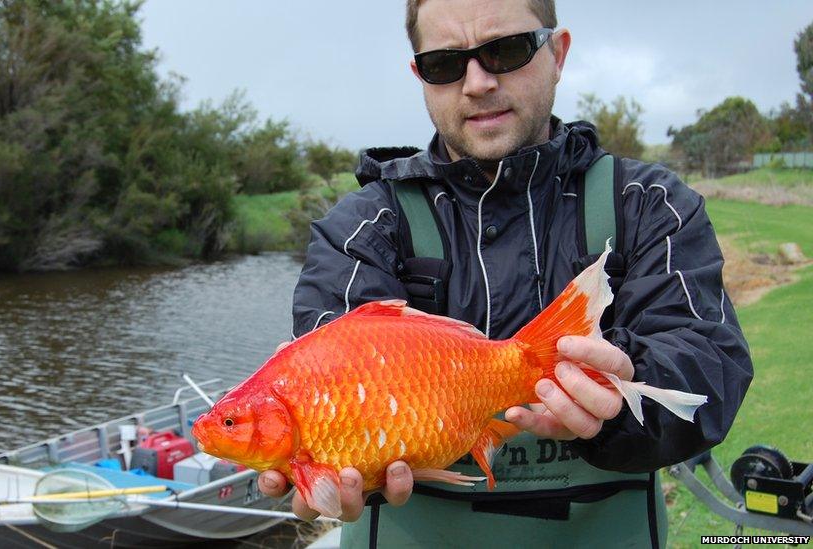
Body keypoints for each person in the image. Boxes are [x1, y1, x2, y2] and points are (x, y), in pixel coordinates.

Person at [258, 0, 754, 547]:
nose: (477, 82)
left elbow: (712, 370)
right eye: (445, 64)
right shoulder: (359, 228)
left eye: (506, 50)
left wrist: (618, 389)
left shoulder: (648, 204)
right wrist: (328, 471)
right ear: (420, 75)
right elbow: (330, 383)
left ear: (558, 54)